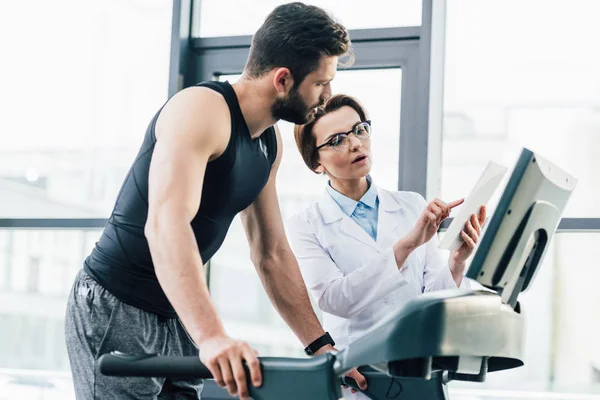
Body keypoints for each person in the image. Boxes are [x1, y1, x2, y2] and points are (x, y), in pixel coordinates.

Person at [64, 3, 366, 399]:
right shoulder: (202, 110)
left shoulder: (268, 145)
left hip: (177, 312)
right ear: (283, 79)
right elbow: (166, 222)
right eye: (320, 84)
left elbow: (271, 253)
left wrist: (321, 346)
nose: (326, 98)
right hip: (118, 303)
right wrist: (211, 337)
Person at [288, 94, 486, 399]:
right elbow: (335, 299)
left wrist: (457, 262)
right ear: (316, 162)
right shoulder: (307, 223)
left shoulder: (411, 205)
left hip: (417, 370)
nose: (355, 143)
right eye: (338, 140)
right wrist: (406, 245)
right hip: (359, 380)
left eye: (359, 130)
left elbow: (430, 297)